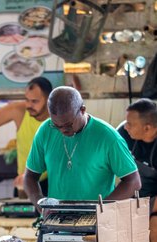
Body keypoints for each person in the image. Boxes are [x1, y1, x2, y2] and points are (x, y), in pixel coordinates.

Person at [24, 86, 141, 214]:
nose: (63, 130)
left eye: (68, 124)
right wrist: (41, 204)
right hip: (56, 222)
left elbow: (133, 182)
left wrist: (102, 210)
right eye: (57, 125)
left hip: (97, 223)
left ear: (82, 110)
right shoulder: (46, 130)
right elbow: (30, 177)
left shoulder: (108, 137)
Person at [117, 98, 157, 242]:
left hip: (152, 202)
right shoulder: (123, 133)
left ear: (147, 128)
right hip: (129, 197)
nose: (125, 126)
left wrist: (143, 209)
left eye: (130, 124)